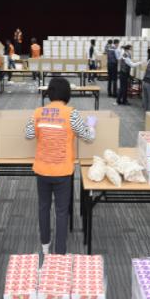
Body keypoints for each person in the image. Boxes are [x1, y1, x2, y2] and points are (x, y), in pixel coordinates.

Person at [25, 77, 96, 255]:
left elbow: (28, 134)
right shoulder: (71, 114)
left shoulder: (38, 112)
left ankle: (45, 246)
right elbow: (88, 137)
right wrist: (91, 125)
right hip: (63, 172)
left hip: (42, 170)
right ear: (67, 94)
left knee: (43, 208)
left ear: (49, 93)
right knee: (62, 212)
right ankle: (60, 252)